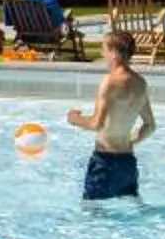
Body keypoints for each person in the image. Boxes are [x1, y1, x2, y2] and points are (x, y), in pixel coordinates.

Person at [66, 28, 155, 201]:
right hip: (128, 162)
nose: (102, 54)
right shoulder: (140, 83)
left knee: (92, 214)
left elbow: (96, 124)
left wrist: (74, 119)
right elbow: (150, 125)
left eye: (104, 49)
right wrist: (130, 141)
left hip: (104, 161)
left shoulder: (109, 82)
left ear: (114, 53)